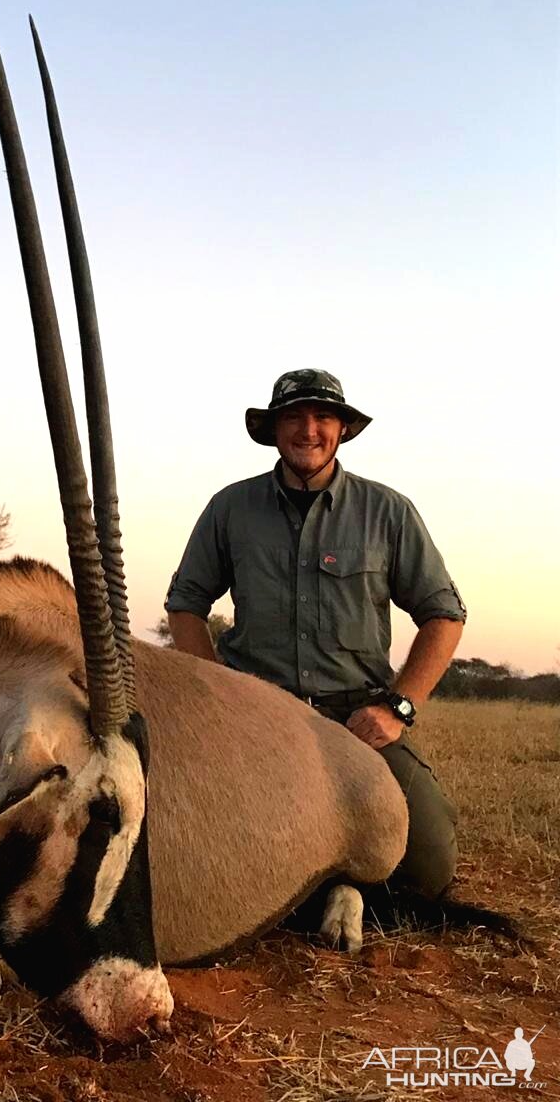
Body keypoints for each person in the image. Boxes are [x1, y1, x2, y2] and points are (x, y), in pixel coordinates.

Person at [164, 368, 465, 899]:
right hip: (256, 715)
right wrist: (212, 695)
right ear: (274, 430)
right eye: (293, 417)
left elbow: (443, 614)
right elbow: (186, 602)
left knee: (428, 871)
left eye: (322, 417)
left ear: (341, 429)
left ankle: (332, 888)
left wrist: (398, 708)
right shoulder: (230, 507)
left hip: (356, 721)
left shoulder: (387, 510)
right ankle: (324, 887)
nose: (308, 430)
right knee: (185, 847)